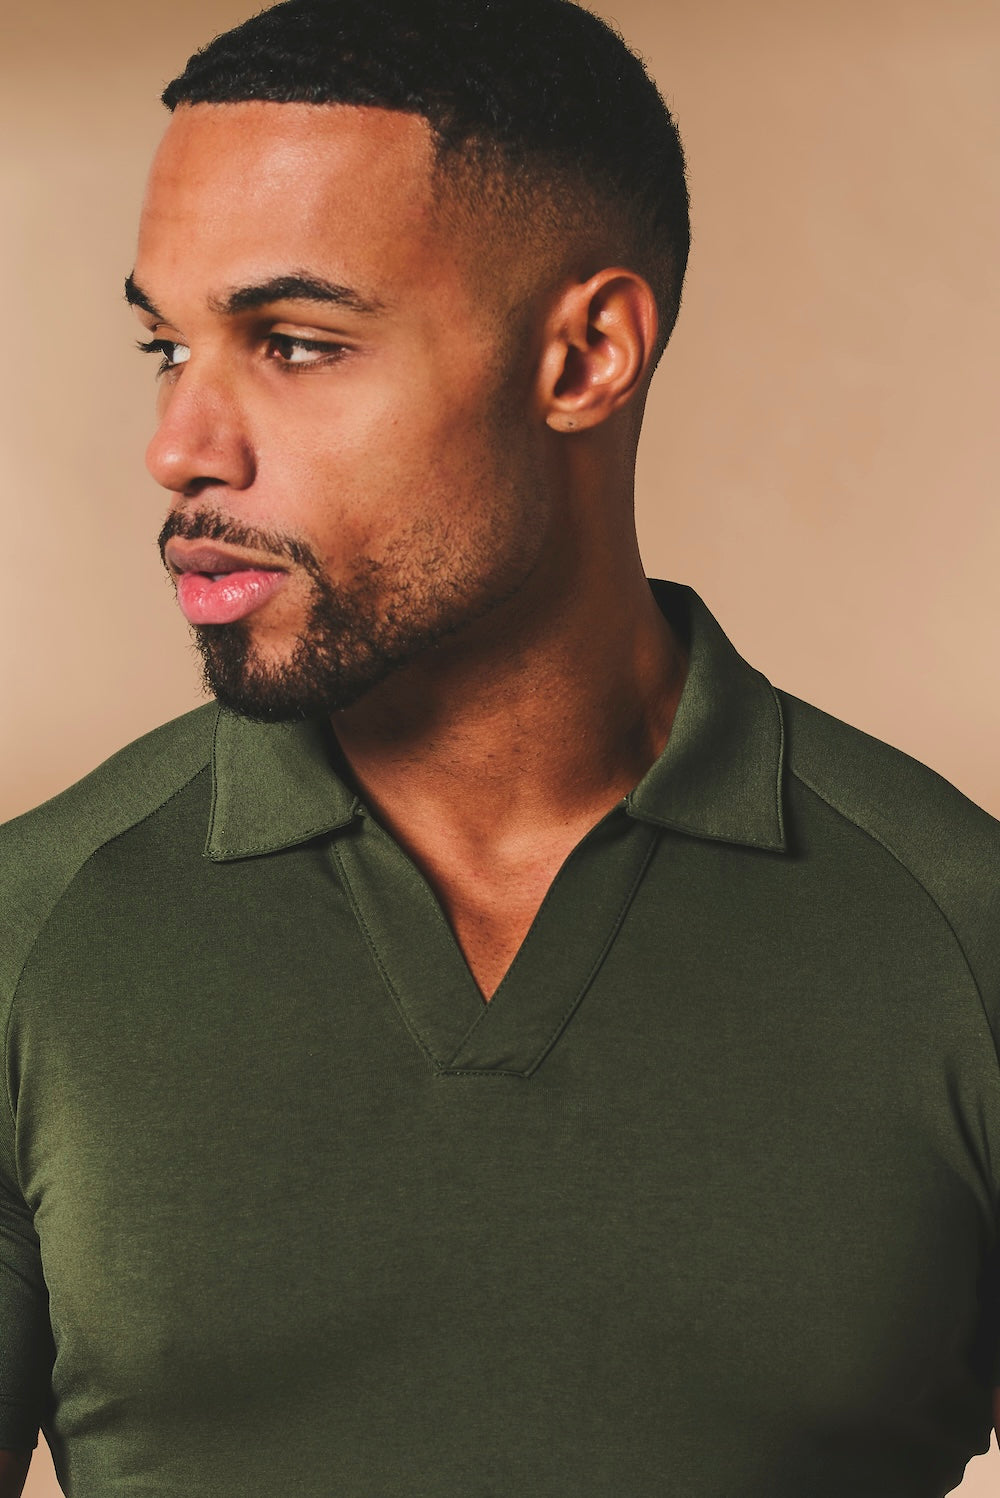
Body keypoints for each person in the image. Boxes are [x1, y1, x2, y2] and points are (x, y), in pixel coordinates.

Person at [1, 0, 998, 1492]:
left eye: (293, 343)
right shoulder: (31, 931)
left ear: (586, 354)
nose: (180, 447)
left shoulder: (963, 932)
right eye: (167, 344)